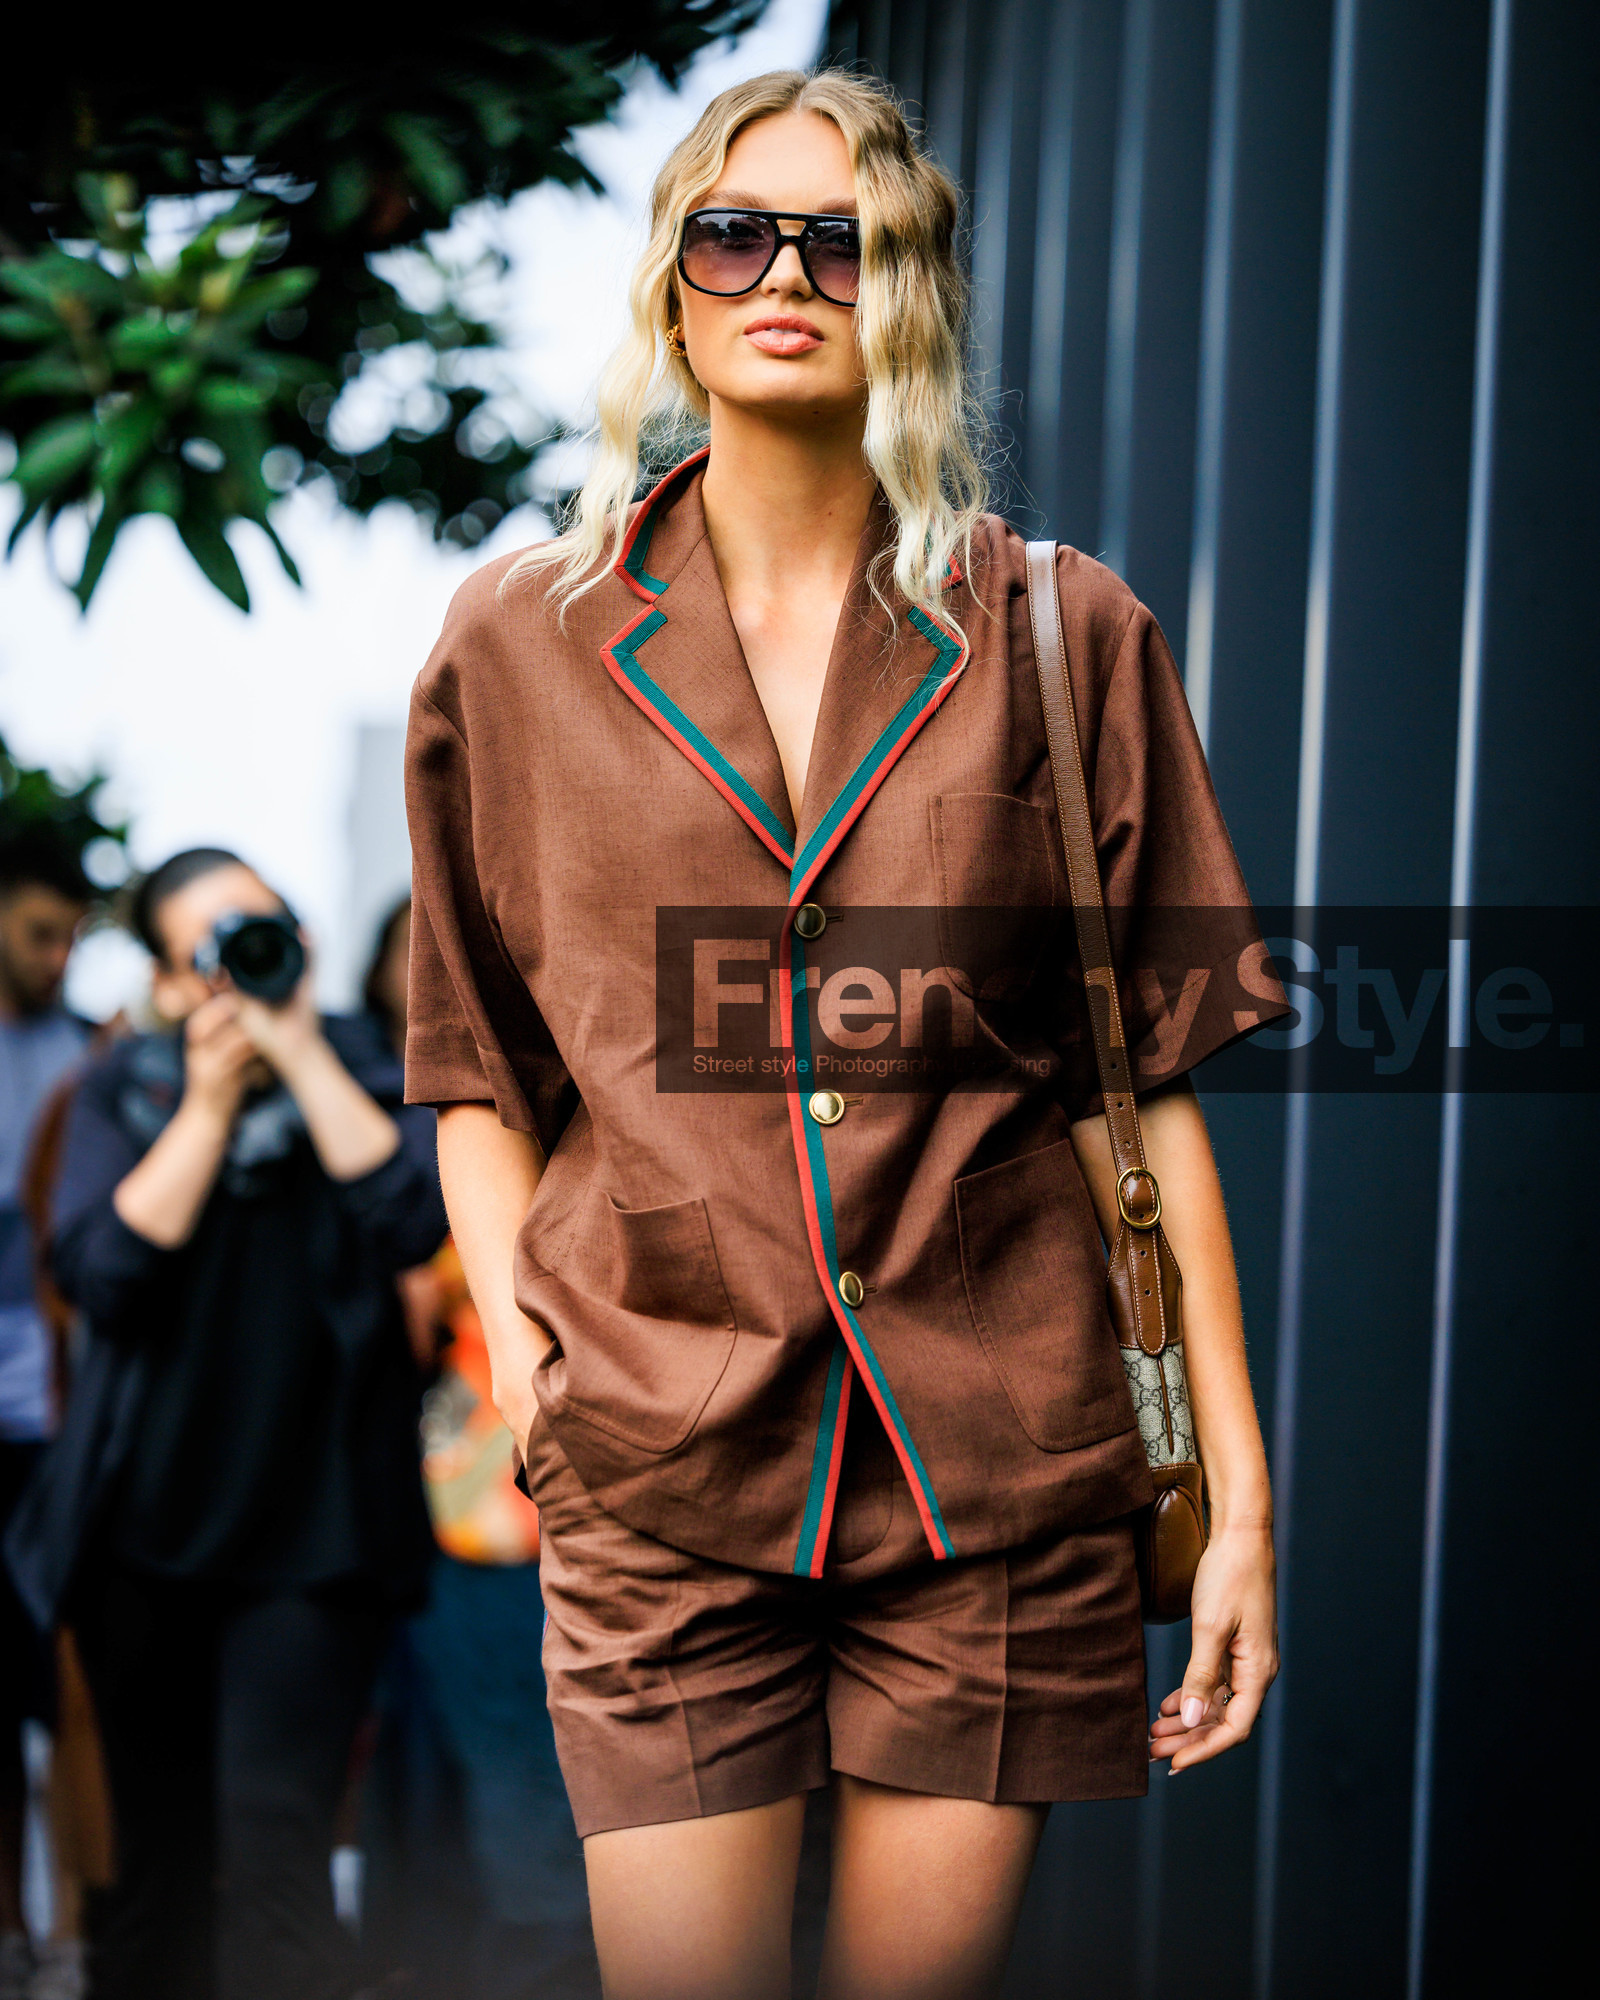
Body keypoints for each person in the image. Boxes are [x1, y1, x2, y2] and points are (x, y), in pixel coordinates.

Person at [403, 70, 1289, 2000]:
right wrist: (538, 1385)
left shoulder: (1068, 634)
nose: (785, 274)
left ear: (914, 293)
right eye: (738, 234)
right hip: (657, 1468)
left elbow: (1144, 1100)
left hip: (1004, 1477)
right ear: (673, 290)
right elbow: (478, 1074)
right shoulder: (515, 644)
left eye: (845, 240)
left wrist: (1238, 1510)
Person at [6, 848, 447, 2000]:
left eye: (265, 927)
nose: (246, 961)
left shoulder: (361, 1059)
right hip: (140, 1537)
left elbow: (409, 1214)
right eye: (212, 945)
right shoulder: (122, 1088)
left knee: (277, 1855)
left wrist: (298, 1054)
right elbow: (102, 1274)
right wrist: (205, 1103)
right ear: (164, 978)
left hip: (318, 1535)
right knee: (154, 1858)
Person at [359, 898, 595, 2000]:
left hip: (530, 1510)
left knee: (539, 1826)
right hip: (497, 1518)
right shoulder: (431, 1143)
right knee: (526, 1824)